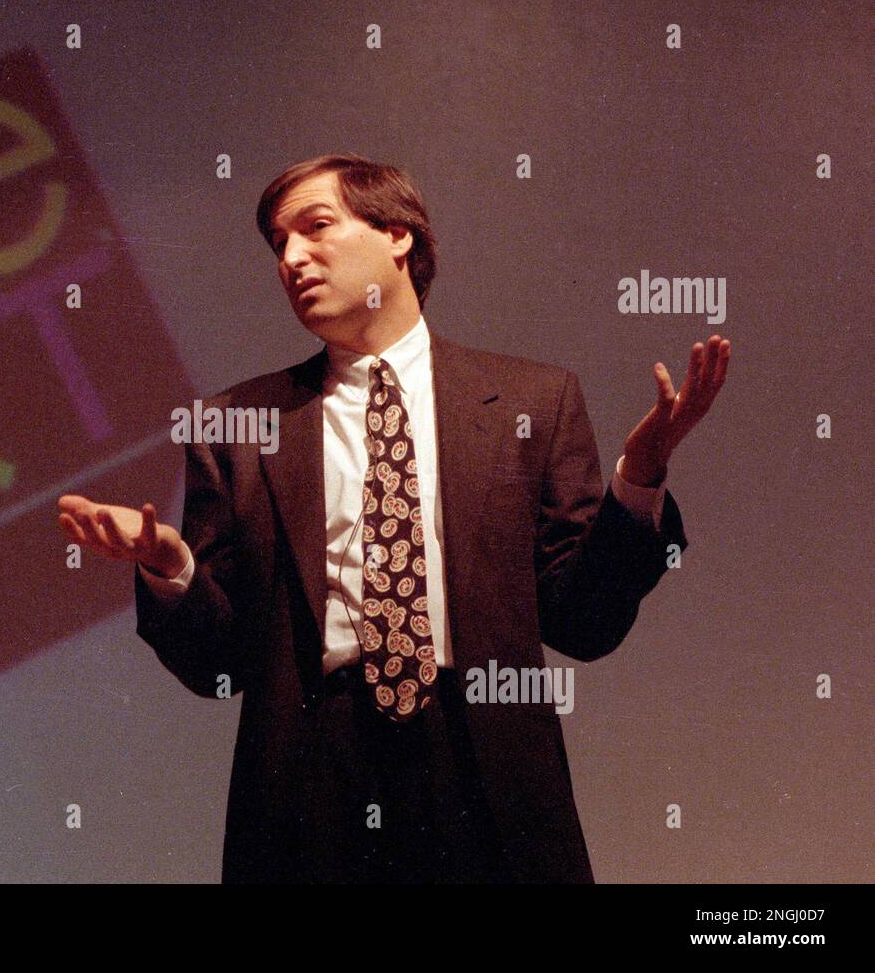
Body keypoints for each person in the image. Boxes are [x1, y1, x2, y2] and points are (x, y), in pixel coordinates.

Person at [57, 153, 730, 883]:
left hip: (486, 767)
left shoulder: (533, 403)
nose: (291, 258)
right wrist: (171, 568)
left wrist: (641, 476)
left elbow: (584, 624)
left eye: (315, 227)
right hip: (312, 777)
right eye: (277, 245)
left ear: (398, 236)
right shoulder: (237, 423)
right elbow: (219, 663)